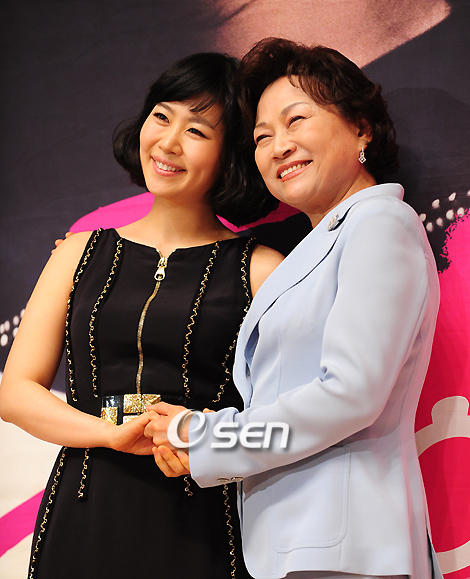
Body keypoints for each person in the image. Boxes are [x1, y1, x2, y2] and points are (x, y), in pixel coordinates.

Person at [144, 39, 444, 579]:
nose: (278, 146)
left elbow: (350, 394)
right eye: (262, 137)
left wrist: (212, 437)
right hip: (298, 545)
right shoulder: (318, 245)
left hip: (348, 550)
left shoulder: (379, 224)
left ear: (361, 128)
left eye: (296, 120)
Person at [0, 52, 283, 579]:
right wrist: (108, 434)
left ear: (231, 155)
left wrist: (203, 436)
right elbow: (15, 392)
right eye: (161, 116)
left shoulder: (262, 269)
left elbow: (286, 425)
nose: (168, 143)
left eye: (196, 130)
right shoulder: (77, 253)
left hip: (200, 514)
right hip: (84, 506)